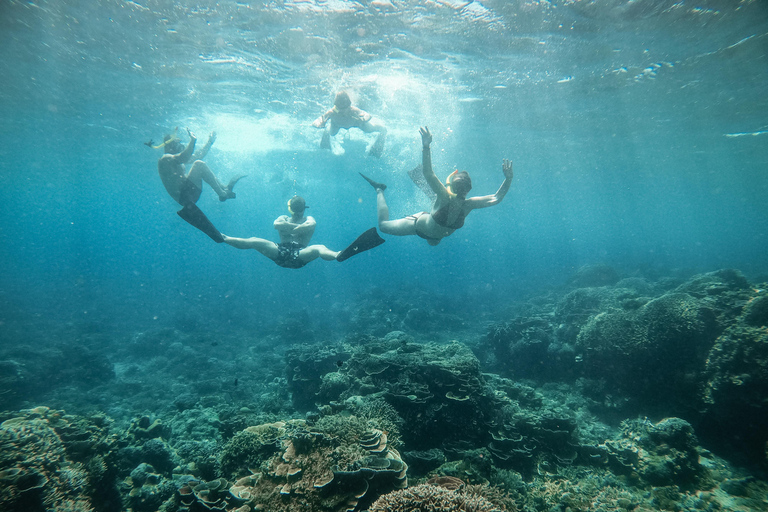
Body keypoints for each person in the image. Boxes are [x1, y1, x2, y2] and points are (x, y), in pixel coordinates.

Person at [359, 126, 514, 246]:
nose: (461, 190)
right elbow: (428, 174)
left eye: (462, 187)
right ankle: (379, 189)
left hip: (433, 230)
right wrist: (425, 147)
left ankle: (431, 204)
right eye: (460, 186)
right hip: (418, 225)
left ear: (466, 189)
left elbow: (497, 197)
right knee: (383, 226)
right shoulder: (459, 201)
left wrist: (508, 179)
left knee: (434, 240)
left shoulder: (467, 204)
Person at [221, 196, 385, 268]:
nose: (297, 212)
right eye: (296, 209)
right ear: (291, 208)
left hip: (300, 253)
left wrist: (290, 227)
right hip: (281, 250)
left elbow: (309, 225)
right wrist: (296, 227)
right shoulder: (284, 217)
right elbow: (276, 225)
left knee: (319, 247)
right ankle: (223, 238)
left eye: (299, 209)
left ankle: (338, 255)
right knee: (255, 240)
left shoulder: (307, 218)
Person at [154, 128, 246, 242]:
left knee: (199, 164)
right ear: (170, 145)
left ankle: (223, 188)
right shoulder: (165, 158)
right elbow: (186, 156)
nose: (180, 144)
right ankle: (222, 193)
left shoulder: (172, 160)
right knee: (198, 165)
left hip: (186, 194)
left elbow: (197, 156)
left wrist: (209, 142)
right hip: (185, 196)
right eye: (177, 143)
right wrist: (193, 141)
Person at [312, 91, 387, 157]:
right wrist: (319, 124)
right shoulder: (332, 112)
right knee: (331, 133)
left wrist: (363, 119)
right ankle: (326, 134)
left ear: (349, 105)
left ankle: (383, 132)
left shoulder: (353, 110)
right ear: (336, 106)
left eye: (343, 108)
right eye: (338, 108)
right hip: (337, 125)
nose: (341, 111)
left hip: (356, 123)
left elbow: (367, 115)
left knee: (370, 129)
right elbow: (318, 120)